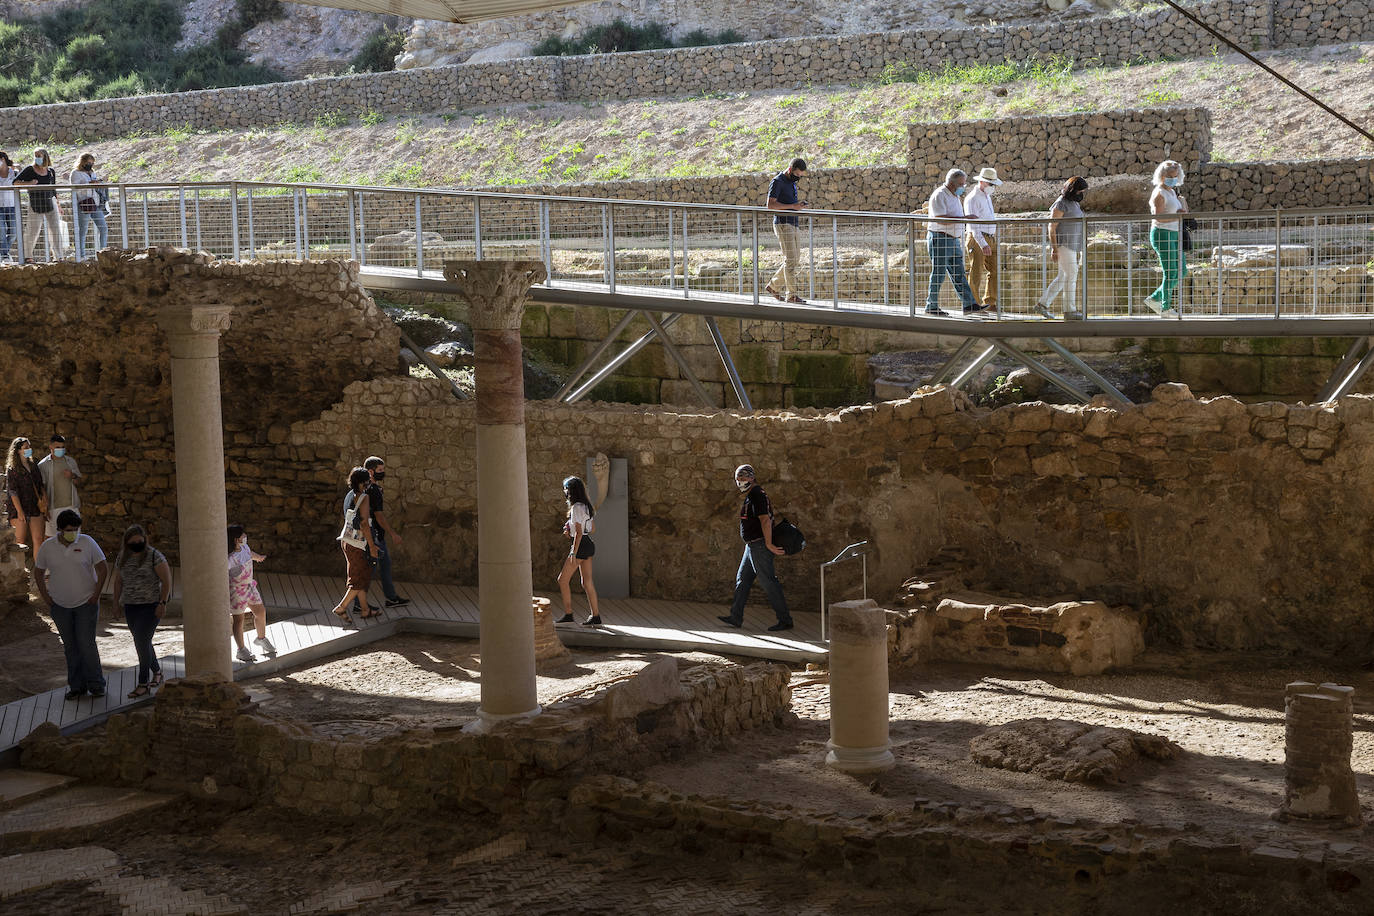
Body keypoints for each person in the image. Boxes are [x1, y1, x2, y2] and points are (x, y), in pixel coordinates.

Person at [33, 509, 107, 700]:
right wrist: (46, 597)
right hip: (60, 605)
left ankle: (96, 684)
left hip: (86, 603)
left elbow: (102, 568)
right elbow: (38, 572)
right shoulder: (48, 547)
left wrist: (96, 594)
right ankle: (77, 686)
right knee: (70, 646)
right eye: (69, 529)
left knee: (86, 644)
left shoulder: (87, 542)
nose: (73, 532)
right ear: (59, 530)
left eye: (76, 529)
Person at [717, 464, 793, 632]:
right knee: (742, 580)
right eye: (738, 479)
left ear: (751, 477)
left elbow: (765, 520)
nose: (740, 482)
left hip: (759, 546)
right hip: (751, 546)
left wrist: (769, 544)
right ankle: (735, 617)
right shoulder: (752, 494)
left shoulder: (757, 494)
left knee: (768, 582)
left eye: (743, 478)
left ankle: (785, 620)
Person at [110, 524, 170, 698]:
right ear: (127, 542)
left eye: (139, 541)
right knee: (143, 642)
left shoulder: (154, 556)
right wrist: (116, 603)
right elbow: (118, 582)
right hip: (130, 607)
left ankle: (143, 683)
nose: (137, 544)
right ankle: (157, 672)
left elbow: (166, 581)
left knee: (141, 643)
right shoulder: (123, 557)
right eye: (133, 542)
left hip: (150, 606)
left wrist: (162, 603)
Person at [349, 455, 409, 613]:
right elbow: (378, 516)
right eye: (380, 470)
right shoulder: (373, 491)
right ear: (370, 471)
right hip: (373, 536)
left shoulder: (363, 490)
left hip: (372, 536)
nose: (383, 473)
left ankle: (390, 597)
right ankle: (358, 603)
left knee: (384, 565)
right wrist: (393, 533)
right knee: (369, 570)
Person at [924, 168, 985, 317]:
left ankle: (969, 304)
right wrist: (965, 219)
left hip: (953, 239)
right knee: (938, 273)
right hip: (941, 238)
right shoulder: (940, 195)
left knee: (959, 273)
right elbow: (940, 219)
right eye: (961, 184)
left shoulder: (953, 195)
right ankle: (931, 305)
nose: (963, 187)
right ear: (952, 184)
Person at [1033, 177, 1089, 321]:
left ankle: (1042, 304)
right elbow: (1052, 227)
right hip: (1064, 245)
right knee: (1072, 275)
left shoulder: (1073, 203)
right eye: (1080, 190)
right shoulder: (1061, 203)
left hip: (1072, 245)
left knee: (1063, 276)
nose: (1082, 193)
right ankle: (1069, 311)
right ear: (1073, 189)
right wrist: (1054, 248)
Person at [333, 467, 379, 623]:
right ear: (362, 483)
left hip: (346, 541)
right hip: (358, 544)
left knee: (361, 576)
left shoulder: (349, 496)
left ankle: (365, 609)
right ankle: (341, 607)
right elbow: (365, 523)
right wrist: (372, 547)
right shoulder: (364, 497)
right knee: (358, 579)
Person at [555, 476, 602, 627]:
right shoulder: (587, 507)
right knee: (587, 582)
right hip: (588, 544)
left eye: (566, 489)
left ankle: (568, 615)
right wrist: (571, 531)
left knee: (562, 580)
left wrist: (573, 552)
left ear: (570, 491)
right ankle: (596, 616)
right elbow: (592, 529)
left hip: (580, 545)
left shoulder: (575, 508)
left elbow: (579, 533)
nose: (565, 491)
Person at [1145, 159, 1189, 317]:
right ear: (1162, 176)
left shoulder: (1172, 191)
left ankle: (1154, 298)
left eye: (1176, 175)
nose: (1174, 178)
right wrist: (1176, 218)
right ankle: (1165, 308)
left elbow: (1178, 212)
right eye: (1171, 176)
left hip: (1175, 233)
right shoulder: (1159, 193)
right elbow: (1158, 217)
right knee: (1170, 272)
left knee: (1182, 271)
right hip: (1162, 233)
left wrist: (1182, 209)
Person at [227, 524, 276, 662]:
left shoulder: (245, 548)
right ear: (236, 539)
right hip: (236, 591)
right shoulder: (229, 559)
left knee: (260, 612)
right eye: (243, 535)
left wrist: (258, 557)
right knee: (238, 619)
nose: (245, 537)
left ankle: (261, 638)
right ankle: (241, 650)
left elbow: (250, 554)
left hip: (249, 587)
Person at [764, 157, 808, 305]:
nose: (798, 178)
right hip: (783, 224)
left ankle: (773, 286)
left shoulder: (791, 182)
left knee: (795, 259)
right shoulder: (778, 181)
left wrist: (797, 206)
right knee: (790, 260)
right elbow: (770, 205)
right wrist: (793, 207)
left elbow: (789, 203)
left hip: (793, 223)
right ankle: (791, 295)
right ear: (790, 170)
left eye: (800, 176)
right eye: (797, 175)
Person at [13, 148, 64, 263]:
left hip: (50, 202)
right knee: (32, 230)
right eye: (35, 155)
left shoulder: (51, 171)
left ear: (45, 156)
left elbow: (53, 189)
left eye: (39, 155)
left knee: (55, 229)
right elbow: (15, 182)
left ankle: (59, 256)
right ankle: (28, 256)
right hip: (35, 203)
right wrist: (29, 184)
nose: (37, 158)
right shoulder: (30, 169)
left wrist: (58, 204)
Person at [963, 167, 1003, 312]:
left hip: (990, 237)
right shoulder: (972, 198)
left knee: (994, 270)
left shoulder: (986, 196)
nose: (992, 187)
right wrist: (983, 243)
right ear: (982, 182)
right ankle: (973, 304)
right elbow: (973, 225)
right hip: (978, 237)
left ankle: (990, 303)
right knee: (976, 272)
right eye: (991, 184)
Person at [5, 436, 46, 560]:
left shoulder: (34, 465)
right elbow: (12, 492)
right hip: (19, 508)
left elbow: (40, 485)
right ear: (18, 451)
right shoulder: (12, 469)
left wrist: (45, 500)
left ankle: (39, 571)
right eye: (26, 447)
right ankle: (19, 574)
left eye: (29, 447)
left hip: (35, 507)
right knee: (20, 542)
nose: (29, 449)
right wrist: (20, 511)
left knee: (38, 539)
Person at [38, 434, 82, 538]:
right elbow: (40, 488)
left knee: (74, 538)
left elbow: (78, 482)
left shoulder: (70, 462)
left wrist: (72, 475)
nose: (61, 449)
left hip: (71, 507)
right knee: (51, 538)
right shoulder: (43, 465)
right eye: (58, 447)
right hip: (53, 508)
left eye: (62, 447)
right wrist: (45, 508)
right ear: (51, 447)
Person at [70, 153, 107, 262]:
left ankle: (103, 253)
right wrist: (89, 183)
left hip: (95, 202)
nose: (90, 165)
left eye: (92, 163)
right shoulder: (75, 173)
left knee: (103, 228)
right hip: (84, 202)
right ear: (82, 162)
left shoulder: (92, 172)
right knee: (83, 229)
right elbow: (75, 187)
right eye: (88, 163)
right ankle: (81, 255)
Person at [0, 151, 19, 263]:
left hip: (12, 206)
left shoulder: (14, 173)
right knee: (1, 232)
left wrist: (15, 166)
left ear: (3, 159)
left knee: (13, 233)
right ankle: (5, 256)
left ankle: (3, 252)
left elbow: (22, 172)